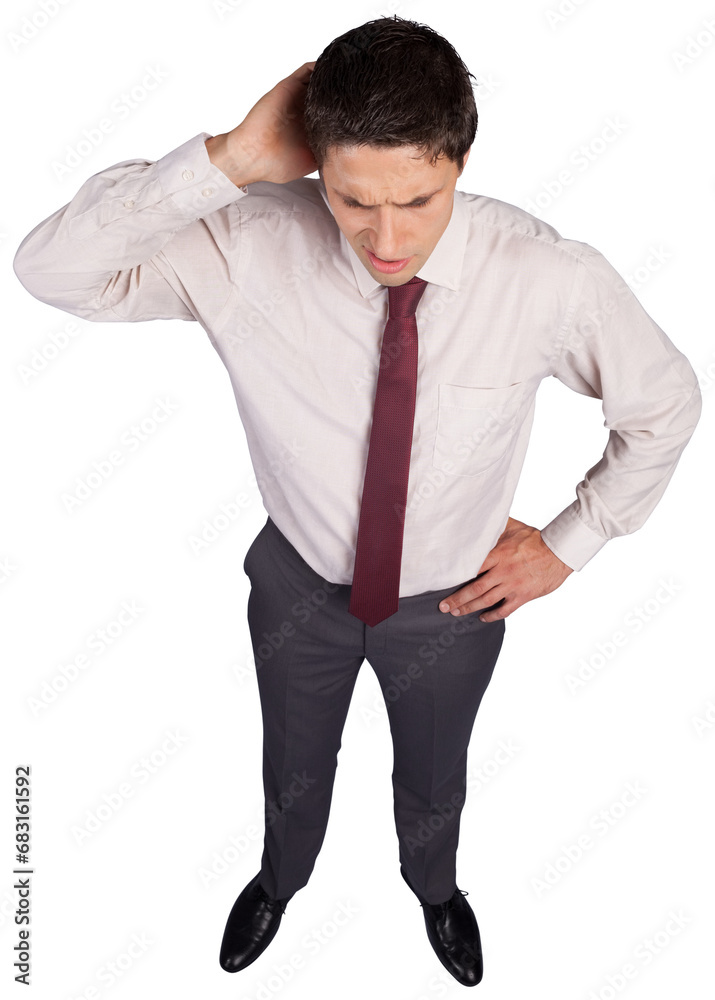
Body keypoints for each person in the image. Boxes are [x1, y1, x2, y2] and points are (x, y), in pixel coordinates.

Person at [13, 15, 701, 989]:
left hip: (455, 604)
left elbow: (665, 404)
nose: (387, 238)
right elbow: (50, 270)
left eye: (417, 200)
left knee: (434, 775)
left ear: (460, 160)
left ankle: (434, 889)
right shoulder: (245, 238)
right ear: (317, 167)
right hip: (296, 589)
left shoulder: (548, 279)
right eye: (352, 199)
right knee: (292, 759)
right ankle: (280, 880)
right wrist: (229, 157)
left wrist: (569, 541)